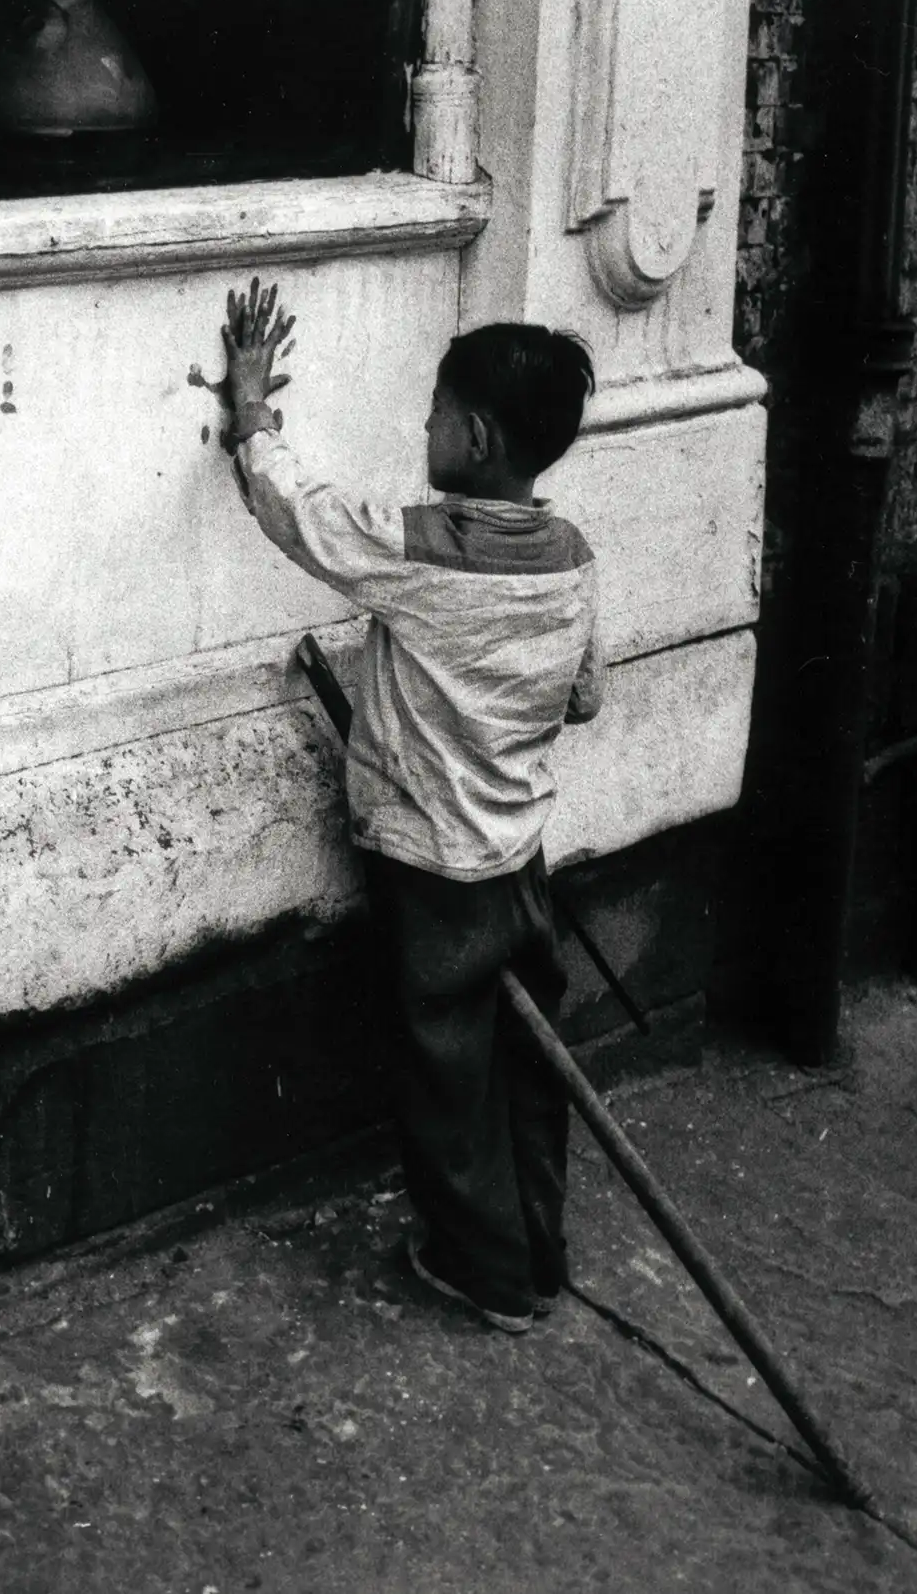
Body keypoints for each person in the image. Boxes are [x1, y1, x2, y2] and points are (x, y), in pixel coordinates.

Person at [211, 280, 604, 1333]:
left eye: (433, 412)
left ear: (472, 435)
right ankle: (539, 1245)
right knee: (528, 1066)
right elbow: (583, 693)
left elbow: (308, 516)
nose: (421, 426)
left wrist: (252, 417)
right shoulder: (568, 556)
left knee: (445, 1077)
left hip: (432, 869)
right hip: (518, 858)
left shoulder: (424, 549)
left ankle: (485, 1268)